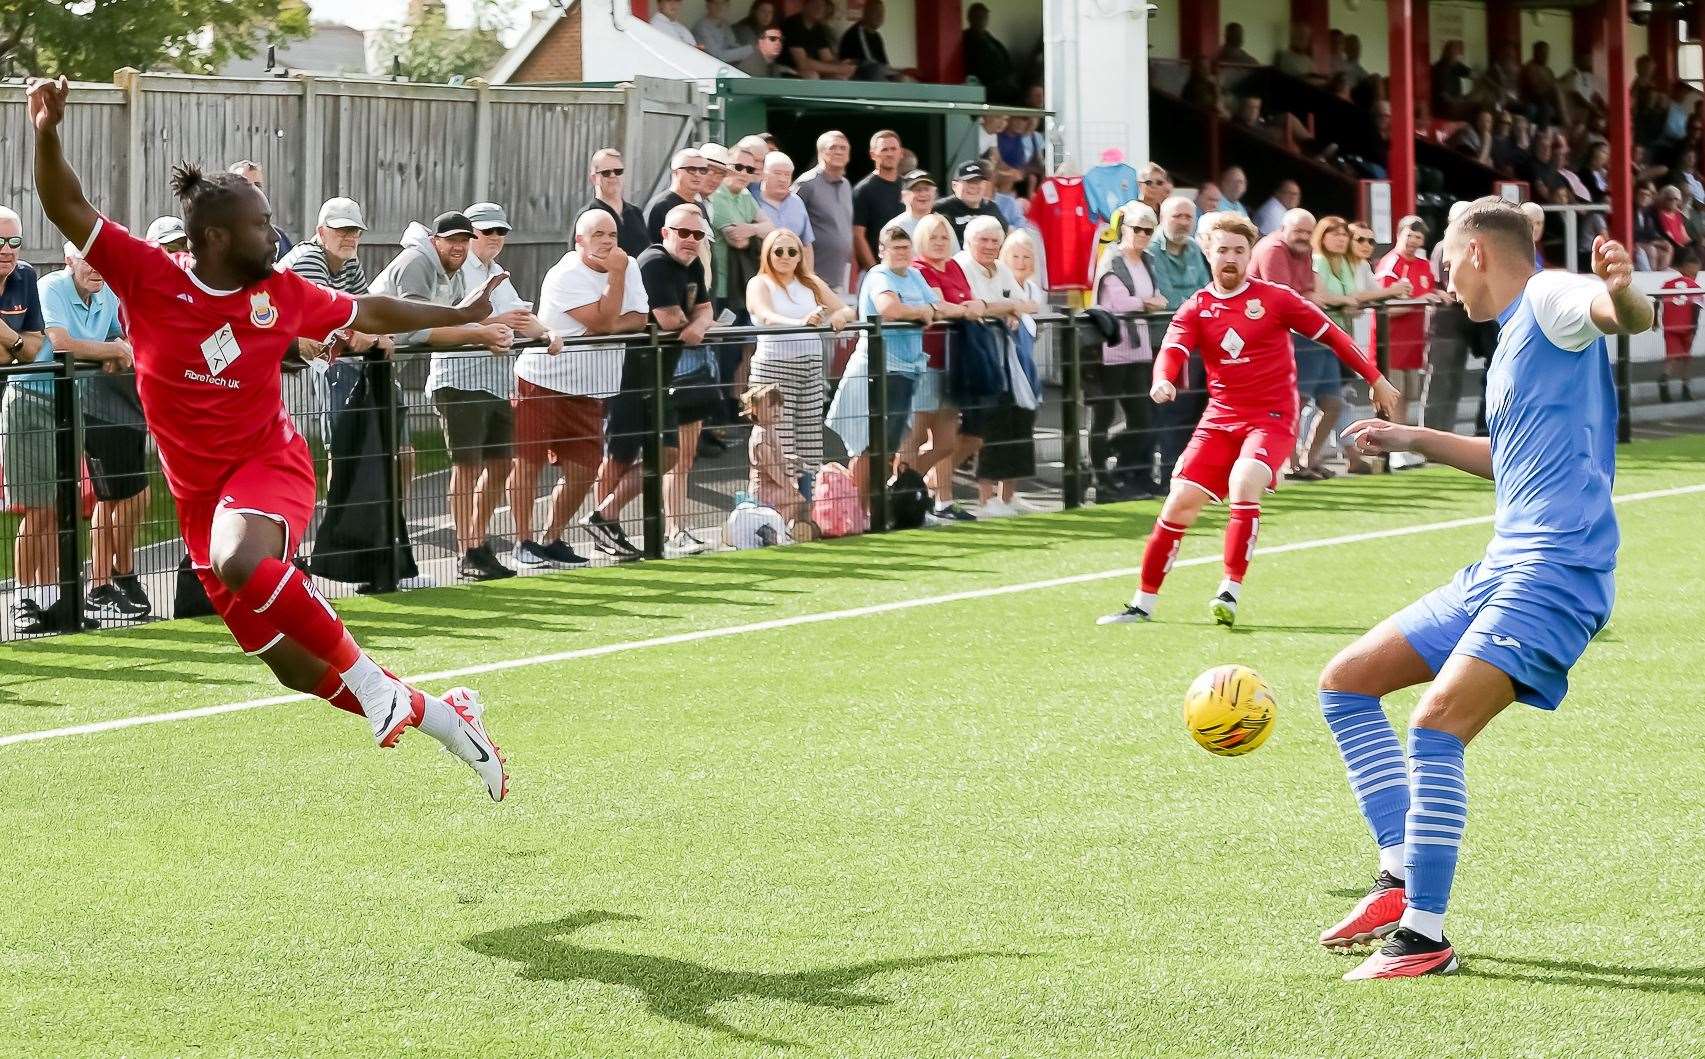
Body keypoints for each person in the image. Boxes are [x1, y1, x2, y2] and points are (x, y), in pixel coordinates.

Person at [28, 75, 509, 797]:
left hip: (268, 465)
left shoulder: (281, 293)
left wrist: (463, 316)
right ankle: (437, 713)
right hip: (197, 498)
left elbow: (369, 309)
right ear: (216, 237)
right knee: (290, 665)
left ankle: (374, 682)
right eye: (260, 223)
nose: (273, 233)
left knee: (238, 556)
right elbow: (66, 204)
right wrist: (44, 129)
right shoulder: (151, 277)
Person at [1316, 203, 1651, 980]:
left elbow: (1613, 312)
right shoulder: (1510, 342)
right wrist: (1410, 439)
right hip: (1503, 566)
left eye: (1442, 268)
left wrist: (1622, 290)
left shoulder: (1547, 298)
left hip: (1556, 573)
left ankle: (1423, 935)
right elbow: (1509, 459)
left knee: (1435, 726)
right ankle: (1398, 879)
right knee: (1345, 682)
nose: (1442, 286)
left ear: (1472, 253)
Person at [1098, 212, 1399, 629]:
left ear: (1249, 254)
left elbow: (1332, 334)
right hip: (1220, 418)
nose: (1231, 258)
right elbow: (1172, 349)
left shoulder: (1275, 298)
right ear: (1208, 252)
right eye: (1222, 249)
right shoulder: (1196, 307)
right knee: (1179, 501)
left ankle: (1229, 591)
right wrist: (1163, 380)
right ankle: (1142, 604)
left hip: (1272, 416)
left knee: (1244, 481)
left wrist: (1376, 378)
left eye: (1239, 250)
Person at [281, 196, 421, 595]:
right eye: (340, 230)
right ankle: (336, 549)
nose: (348, 237)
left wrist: (375, 333)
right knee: (338, 454)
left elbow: (361, 312)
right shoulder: (308, 259)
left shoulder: (350, 263)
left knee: (377, 452)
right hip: (307, 364)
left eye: (354, 231)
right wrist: (370, 335)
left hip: (334, 364)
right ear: (320, 231)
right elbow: (330, 320)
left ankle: (369, 548)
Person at [372, 211, 518, 582]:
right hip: (354, 365)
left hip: (383, 369)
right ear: (435, 240)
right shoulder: (418, 263)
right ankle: (378, 562)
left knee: (399, 460)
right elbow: (421, 330)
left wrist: (483, 327)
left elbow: (450, 322)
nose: (459, 245)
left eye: (464, 239)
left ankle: (392, 562)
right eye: (452, 238)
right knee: (372, 465)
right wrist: (482, 333)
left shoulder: (449, 273)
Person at [513, 210, 646, 570]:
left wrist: (607, 320)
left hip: (590, 388)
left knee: (584, 471)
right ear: (580, 241)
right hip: (542, 381)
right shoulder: (565, 274)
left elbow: (640, 318)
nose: (607, 241)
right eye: (598, 234)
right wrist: (615, 287)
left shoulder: (628, 265)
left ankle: (552, 538)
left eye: (613, 234)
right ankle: (522, 542)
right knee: (528, 464)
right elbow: (606, 321)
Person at [581, 205, 713, 560]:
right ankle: (604, 530)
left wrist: (699, 325)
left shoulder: (694, 264)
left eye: (697, 235)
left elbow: (704, 309)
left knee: (669, 452)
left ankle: (604, 516)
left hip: (661, 377)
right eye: (682, 233)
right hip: (630, 375)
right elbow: (668, 320)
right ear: (665, 232)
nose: (690, 240)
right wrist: (694, 323)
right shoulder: (653, 262)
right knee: (619, 456)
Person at [42, 241, 150, 620]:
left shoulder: (106, 293)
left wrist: (113, 350)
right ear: (70, 260)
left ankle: (109, 582)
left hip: (107, 406)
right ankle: (97, 585)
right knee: (80, 503)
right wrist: (113, 352)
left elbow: (117, 340)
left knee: (127, 498)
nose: (96, 268)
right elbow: (63, 346)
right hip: (68, 403)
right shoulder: (52, 286)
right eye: (87, 260)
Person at [826, 226, 937, 509]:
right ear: (881, 251)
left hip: (906, 370)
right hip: (876, 371)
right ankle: (855, 512)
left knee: (887, 447)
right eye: (895, 248)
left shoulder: (914, 274)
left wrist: (974, 307)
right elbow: (889, 309)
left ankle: (873, 511)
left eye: (905, 247)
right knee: (868, 446)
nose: (901, 253)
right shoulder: (878, 275)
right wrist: (922, 312)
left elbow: (937, 306)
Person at [745, 227, 852, 478]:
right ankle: (777, 508)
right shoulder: (759, 283)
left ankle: (808, 506)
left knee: (810, 441)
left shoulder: (810, 282)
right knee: (776, 442)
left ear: (799, 256)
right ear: (767, 254)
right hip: (774, 369)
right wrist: (802, 323)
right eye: (778, 251)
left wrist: (837, 317)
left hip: (811, 369)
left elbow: (846, 310)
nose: (785, 256)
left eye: (792, 251)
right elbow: (764, 315)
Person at [1252, 208, 1347, 480]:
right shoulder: (1273, 249)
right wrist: (1308, 298)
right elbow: (1282, 296)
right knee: (1296, 401)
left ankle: (1309, 458)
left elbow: (1306, 290)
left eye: (1308, 232)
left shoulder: (1303, 250)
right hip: (1284, 335)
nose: (1304, 237)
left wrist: (1308, 298)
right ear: (1283, 228)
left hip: (1310, 333)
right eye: (1298, 231)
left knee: (1333, 401)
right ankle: (1291, 463)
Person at [953, 215, 1037, 517]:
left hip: (1004, 362)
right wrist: (1005, 307)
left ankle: (1004, 498)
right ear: (969, 241)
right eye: (983, 240)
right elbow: (972, 307)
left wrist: (997, 307)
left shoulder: (1000, 268)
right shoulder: (960, 265)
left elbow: (1027, 304)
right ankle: (973, 500)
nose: (989, 246)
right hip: (969, 360)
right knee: (973, 432)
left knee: (1010, 424)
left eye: (994, 241)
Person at [907, 213, 985, 520]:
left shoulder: (954, 266)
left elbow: (972, 302)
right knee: (916, 435)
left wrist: (969, 307)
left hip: (955, 363)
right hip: (926, 360)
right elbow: (938, 306)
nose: (939, 243)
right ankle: (906, 492)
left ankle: (921, 488)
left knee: (946, 441)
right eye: (932, 237)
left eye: (943, 237)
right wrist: (966, 309)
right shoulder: (917, 269)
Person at [1089, 202, 1167, 503]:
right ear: (1125, 229)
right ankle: (1100, 476)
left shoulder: (1147, 260)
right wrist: (1147, 302)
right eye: (1138, 229)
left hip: (1139, 347)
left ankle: (1104, 460)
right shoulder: (1112, 258)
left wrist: (1147, 301)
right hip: (1111, 347)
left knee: (1142, 418)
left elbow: (1156, 296)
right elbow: (1119, 303)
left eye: (1149, 230)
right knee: (1104, 415)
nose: (1143, 235)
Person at [0, 205, 55, 632]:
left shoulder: (26, 277)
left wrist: (8, 338)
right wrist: (17, 343)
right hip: (19, 400)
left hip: (14, 400)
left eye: (14, 241)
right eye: (0, 241)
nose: (7, 250)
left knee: (43, 504)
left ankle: (37, 599)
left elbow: (33, 350)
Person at [1148, 196, 1211, 492]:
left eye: (1188, 216)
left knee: (1194, 409)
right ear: (1163, 217)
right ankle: (1167, 477)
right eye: (1178, 216)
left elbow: (1204, 291)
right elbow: (1167, 297)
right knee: (1169, 411)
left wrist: (1196, 307)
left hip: (1199, 342)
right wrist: (1196, 307)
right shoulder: (1151, 250)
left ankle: (1189, 474)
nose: (1184, 222)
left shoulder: (1196, 249)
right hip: (1163, 341)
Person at [1375, 215, 1444, 469]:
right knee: (1396, 395)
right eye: (1409, 236)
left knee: (1410, 394)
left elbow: (1424, 291)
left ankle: (1402, 446)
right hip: (1392, 343)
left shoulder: (1424, 265)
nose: (1413, 241)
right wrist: (1422, 298)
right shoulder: (1391, 265)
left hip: (1415, 343)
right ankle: (1394, 450)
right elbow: (1386, 309)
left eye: (1418, 237)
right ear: (1398, 234)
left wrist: (1437, 294)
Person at [793, 130, 856, 293]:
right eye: (833, 147)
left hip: (839, 277)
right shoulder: (806, 183)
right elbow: (790, 226)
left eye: (843, 148)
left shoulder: (846, 185)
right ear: (821, 152)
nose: (838, 151)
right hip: (811, 279)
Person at [742, 382, 808, 527]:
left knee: (795, 498)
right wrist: (790, 489)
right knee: (796, 499)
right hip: (763, 489)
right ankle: (775, 530)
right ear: (755, 410)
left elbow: (776, 458)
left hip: (773, 485)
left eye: (780, 405)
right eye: (771, 406)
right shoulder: (761, 436)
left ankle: (778, 528)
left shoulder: (769, 429)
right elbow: (772, 469)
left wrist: (790, 459)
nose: (777, 410)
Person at [579, 148, 650, 257]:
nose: (613, 176)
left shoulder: (636, 213)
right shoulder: (587, 216)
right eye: (606, 172)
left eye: (618, 171)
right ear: (594, 178)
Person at [852, 130, 904, 273]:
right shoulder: (863, 190)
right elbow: (858, 236)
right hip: (880, 270)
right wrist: (874, 270)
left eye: (893, 149)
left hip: (908, 270)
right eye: (884, 149)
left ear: (901, 153)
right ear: (873, 154)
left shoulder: (909, 187)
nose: (889, 153)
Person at [755, 151, 815, 269]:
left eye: (787, 174)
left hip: (793, 278)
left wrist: (809, 278)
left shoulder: (797, 203)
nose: (782, 179)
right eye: (777, 173)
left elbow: (806, 245)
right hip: (759, 274)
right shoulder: (752, 199)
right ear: (763, 174)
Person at [1659, 245, 1700, 403]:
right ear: (1687, 268)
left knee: (1673, 357)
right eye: (1695, 272)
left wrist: (1656, 320)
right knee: (1684, 359)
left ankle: (1665, 379)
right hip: (1687, 327)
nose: (1695, 276)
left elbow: (1659, 301)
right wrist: (1694, 330)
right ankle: (1684, 388)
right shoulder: (1695, 287)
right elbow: (1696, 310)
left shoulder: (1668, 284)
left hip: (1669, 326)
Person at [227, 160, 292, 261]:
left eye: (257, 186)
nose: (253, 191)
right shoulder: (219, 238)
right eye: (245, 185)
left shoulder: (279, 238)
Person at [933, 159, 1006, 246]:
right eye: (968, 182)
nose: (973, 186)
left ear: (984, 185)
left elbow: (1005, 238)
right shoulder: (940, 208)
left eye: (978, 182)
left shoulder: (992, 207)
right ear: (954, 186)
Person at [646, 147, 709, 244]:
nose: (697, 174)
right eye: (691, 169)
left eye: (703, 170)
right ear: (675, 172)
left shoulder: (700, 206)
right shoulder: (661, 205)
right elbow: (651, 245)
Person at [781, 0, 855, 79]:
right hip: (784, 69)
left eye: (823, 6)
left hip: (806, 70)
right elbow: (802, 63)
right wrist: (838, 69)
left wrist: (843, 64)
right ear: (806, 5)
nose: (820, 8)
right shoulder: (793, 24)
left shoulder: (818, 28)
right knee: (812, 76)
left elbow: (827, 59)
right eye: (816, 3)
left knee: (840, 76)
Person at [962, 3, 1018, 103]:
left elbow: (1005, 58)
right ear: (970, 18)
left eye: (984, 17)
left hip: (1001, 85)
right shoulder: (965, 39)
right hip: (983, 87)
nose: (982, 20)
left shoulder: (990, 39)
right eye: (979, 17)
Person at [838, 0, 896, 81]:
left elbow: (885, 64)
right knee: (878, 71)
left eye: (882, 12)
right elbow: (871, 63)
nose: (880, 16)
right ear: (866, 13)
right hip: (856, 76)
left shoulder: (877, 36)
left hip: (872, 73)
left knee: (903, 78)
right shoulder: (856, 33)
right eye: (876, 11)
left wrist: (898, 73)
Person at [882, 170, 943, 246]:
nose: (923, 194)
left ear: (935, 193)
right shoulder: (895, 227)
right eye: (918, 190)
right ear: (904, 195)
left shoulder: (943, 224)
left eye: (927, 189)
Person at [694, 0, 754, 64]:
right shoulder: (702, 27)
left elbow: (733, 45)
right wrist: (752, 49)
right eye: (715, 3)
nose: (720, 7)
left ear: (728, 5)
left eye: (723, 3)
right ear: (708, 5)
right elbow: (718, 56)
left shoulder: (724, 24)